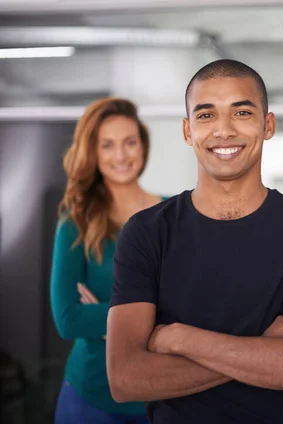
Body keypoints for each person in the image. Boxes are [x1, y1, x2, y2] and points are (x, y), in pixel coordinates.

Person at [106, 59, 283, 424]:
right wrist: (266, 351)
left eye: (242, 112)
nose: (223, 130)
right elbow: (125, 379)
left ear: (268, 125)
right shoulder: (147, 231)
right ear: (187, 131)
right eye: (206, 116)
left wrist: (183, 340)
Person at [50, 97, 166, 423]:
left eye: (130, 142)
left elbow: (192, 306)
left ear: (143, 146)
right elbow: (69, 319)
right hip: (91, 397)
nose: (121, 156)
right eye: (107, 145)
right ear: (93, 153)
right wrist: (154, 318)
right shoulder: (76, 223)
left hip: (162, 395)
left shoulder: (175, 215)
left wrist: (107, 314)